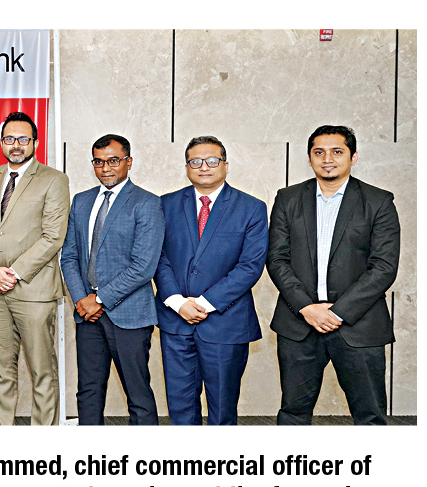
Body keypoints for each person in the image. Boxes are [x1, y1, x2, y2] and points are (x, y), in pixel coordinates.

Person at [268, 125, 399, 425]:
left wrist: (337, 313)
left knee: (370, 417)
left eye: (337, 151)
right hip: (299, 323)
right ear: (309, 158)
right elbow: (276, 259)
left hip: (359, 324)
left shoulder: (378, 201)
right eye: (319, 152)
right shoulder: (287, 198)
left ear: (353, 157)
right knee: (293, 414)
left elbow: (384, 266)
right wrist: (306, 307)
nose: (327, 159)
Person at [154, 135, 267, 426]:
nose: (204, 167)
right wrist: (177, 302)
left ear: (226, 165)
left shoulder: (251, 207)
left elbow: (250, 266)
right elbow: (158, 257)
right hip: (176, 321)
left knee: (222, 410)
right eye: (195, 161)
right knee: (180, 408)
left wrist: (204, 303)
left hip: (226, 323)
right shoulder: (165, 204)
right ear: (186, 167)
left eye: (212, 160)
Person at [59, 134, 163, 425]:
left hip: (128, 315)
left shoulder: (147, 203)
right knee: (88, 392)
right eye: (99, 161)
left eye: (113, 160)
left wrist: (100, 299)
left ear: (129, 162)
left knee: (137, 394)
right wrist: (82, 300)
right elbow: (69, 256)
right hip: (87, 315)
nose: (105, 168)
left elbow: (143, 266)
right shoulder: (81, 201)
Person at [0, 112, 69, 426]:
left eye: (23, 139)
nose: (16, 145)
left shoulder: (54, 179)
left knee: (43, 372)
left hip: (33, 289)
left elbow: (53, 236)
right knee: (1, 372)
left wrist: (12, 272)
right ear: (1, 142)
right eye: (10, 139)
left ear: (35, 143)